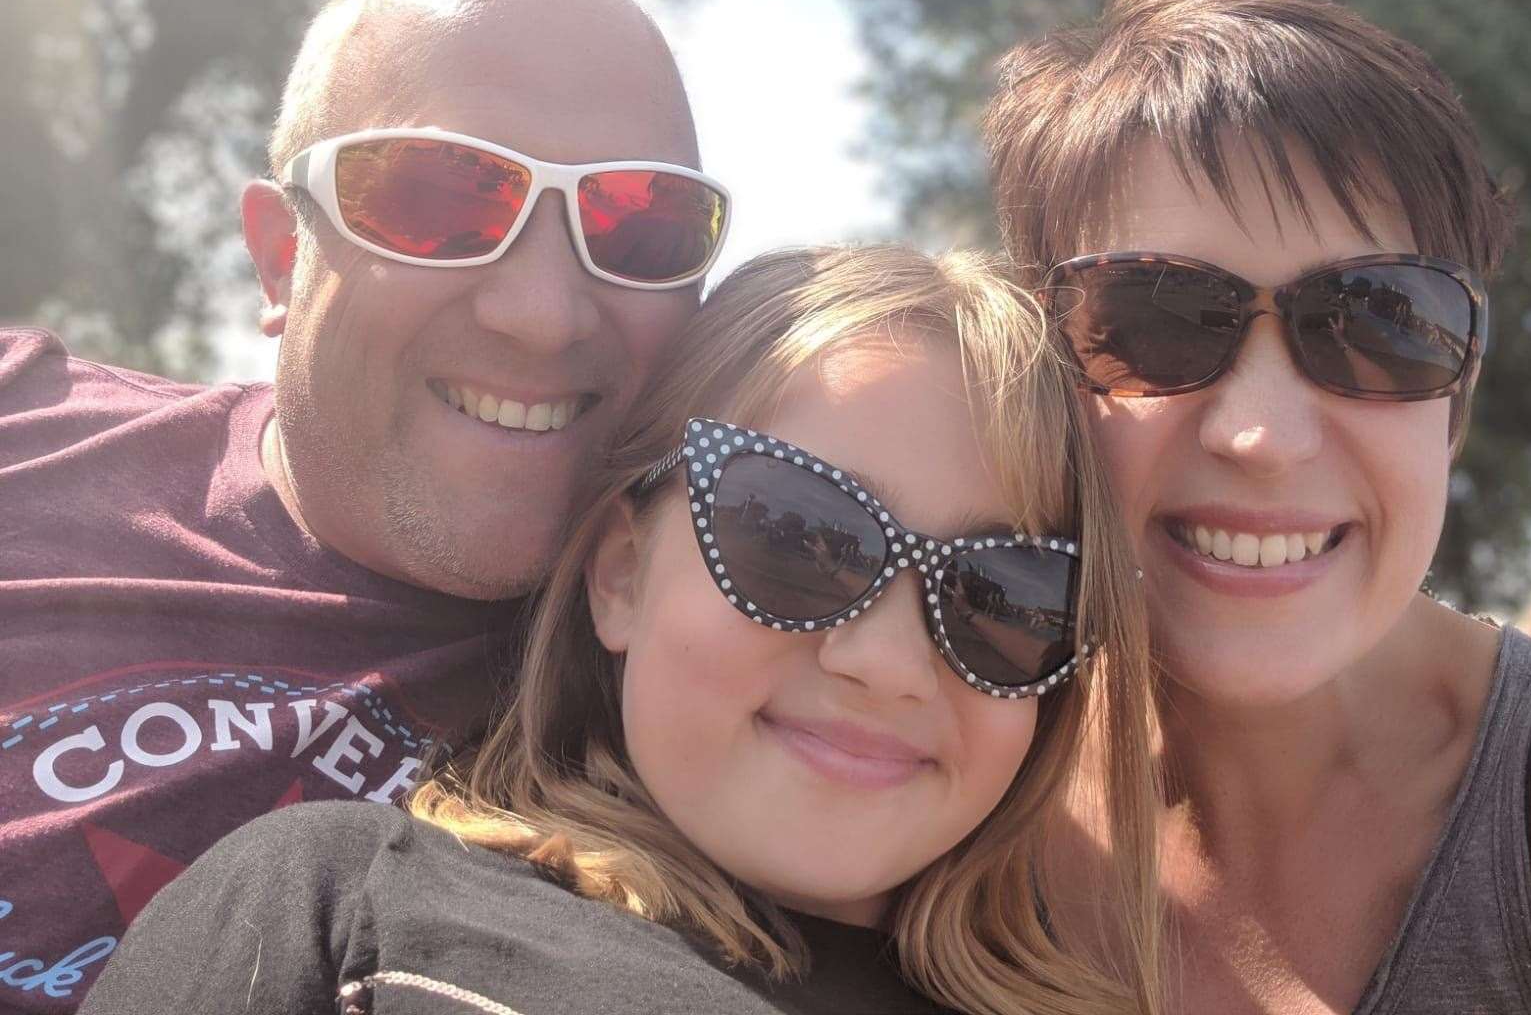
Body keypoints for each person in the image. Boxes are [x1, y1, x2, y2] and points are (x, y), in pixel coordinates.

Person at [79, 245, 1165, 1015]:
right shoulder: (337, 909)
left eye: (1003, 598)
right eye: (799, 534)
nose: (885, 662)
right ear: (621, 575)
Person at [0, 0, 730, 1011]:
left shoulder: (741, 678)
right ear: (282, 255)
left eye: (640, 225)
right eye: (439, 200)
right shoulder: (23, 422)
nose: (540, 313)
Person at [985, 0, 1531, 1013]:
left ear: (1458, 388)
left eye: (1380, 321)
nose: (1260, 437)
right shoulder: (937, 772)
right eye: (1152, 319)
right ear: (1037, 372)